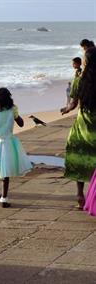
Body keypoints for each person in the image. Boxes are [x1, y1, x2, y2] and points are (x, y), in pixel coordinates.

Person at [60, 47, 96, 210]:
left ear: (87, 62)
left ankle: (80, 195)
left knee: (78, 157)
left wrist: (66, 109)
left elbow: (73, 104)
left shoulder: (79, 80)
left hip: (82, 126)